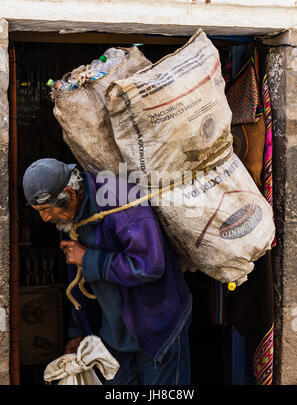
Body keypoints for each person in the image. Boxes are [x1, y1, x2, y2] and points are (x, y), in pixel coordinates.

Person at [22, 158, 192, 385]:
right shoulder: (67, 218)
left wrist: (89, 259)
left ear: (69, 194)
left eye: (46, 209)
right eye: (38, 211)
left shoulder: (120, 197)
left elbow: (150, 265)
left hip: (156, 326)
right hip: (112, 334)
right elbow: (78, 276)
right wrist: (78, 330)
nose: (45, 218)